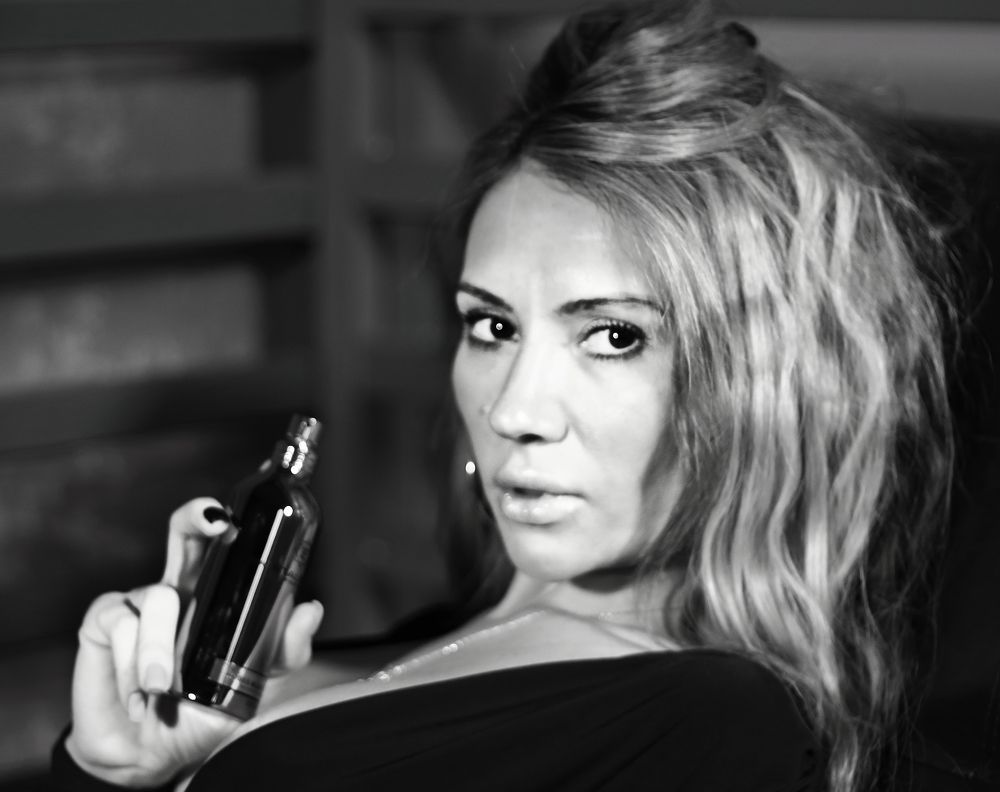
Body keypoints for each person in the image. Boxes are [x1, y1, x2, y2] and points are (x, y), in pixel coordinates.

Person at [52, 1, 957, 790]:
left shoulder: (706, 718)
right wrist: (124, 767)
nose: (513, 411)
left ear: (765, 383)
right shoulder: (447, 633)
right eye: (492, 325)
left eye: (614, 336)